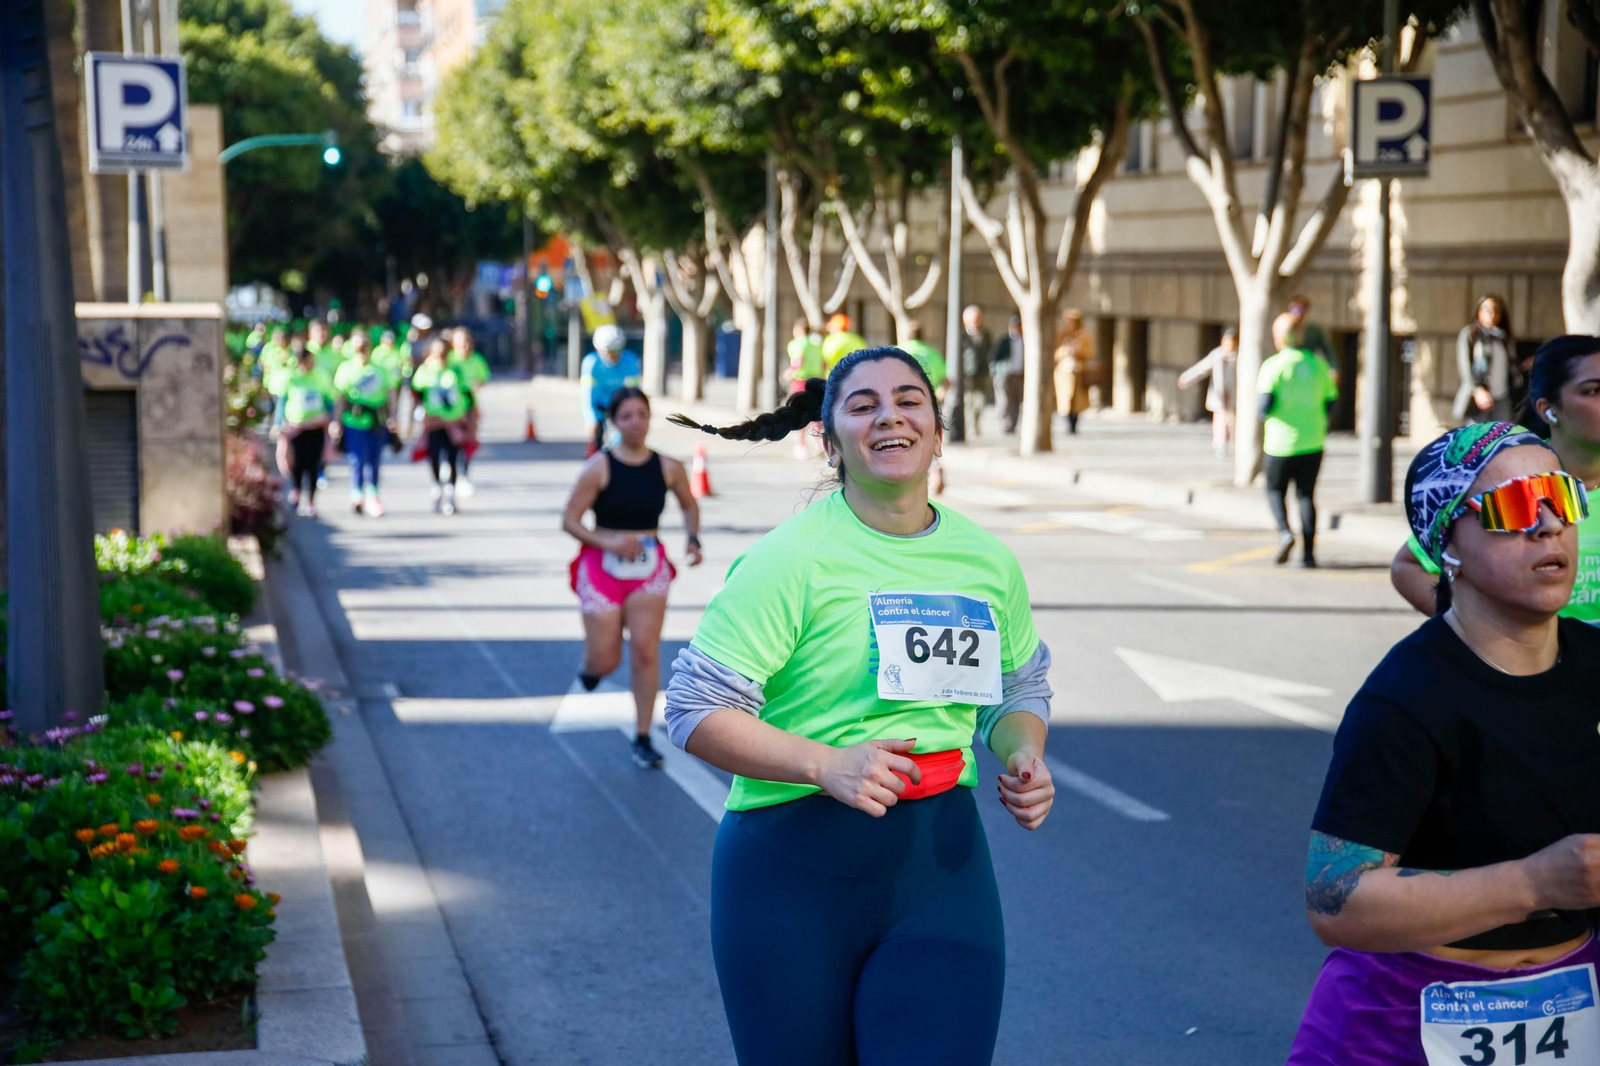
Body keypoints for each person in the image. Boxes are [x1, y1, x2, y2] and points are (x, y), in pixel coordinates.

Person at [661, 347, 1057, 1065]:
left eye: (909, 400)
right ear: (828, 436)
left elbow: (1017, 687)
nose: (890, 417)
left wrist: (1022, 751)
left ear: (938, 430)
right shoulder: (792, 559)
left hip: (941, 870)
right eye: (863, 404)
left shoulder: (986, 560)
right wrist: (824, 765)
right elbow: (691, 706)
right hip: (789, 875)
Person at [1287, 422, 1600, 1065]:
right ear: (1446, 545)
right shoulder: (1404, 697)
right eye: (1515, 505)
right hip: (1403, 1018)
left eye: (1561, 499)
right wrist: (1536, 883)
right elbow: (1335, 899)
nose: (1547, 526)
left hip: (1576, 997)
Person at [1392, 335, 1600, 625]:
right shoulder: (1506, 477)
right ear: (1548, 409)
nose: (1551, 525)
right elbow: (1408, 566)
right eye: (1593, 390)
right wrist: (1481, 631)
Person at [562, 387, 703, 769]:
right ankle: (593, 669)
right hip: (601, 567)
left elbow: (690, 505)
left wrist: (692, 538)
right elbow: (570, 521)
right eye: (627, 416)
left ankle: (643, 736)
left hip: (648, 567)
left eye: (642, 414)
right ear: (614, 422)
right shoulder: (599, 467)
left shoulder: (668, 466)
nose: (636, 423)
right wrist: (607, 540)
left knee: (644, 650)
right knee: (605, 660)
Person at [1260, 312, 1338, 567]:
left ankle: (1284, 532)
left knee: (1274, 490)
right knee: (1306, 496)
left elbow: (1264, 407)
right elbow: (1330, 402)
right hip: (1313, 441)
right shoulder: (1318, 365)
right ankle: (1308, 555)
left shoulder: (1273, 366)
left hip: (1280, 443)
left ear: (1279, 337)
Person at [332, 333, 394, 517]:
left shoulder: (380, 369)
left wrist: (393, 416)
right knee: (357, 459)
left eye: (364, 347)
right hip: (354, 421)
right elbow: (340, 397)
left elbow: (390, 392)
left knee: (374, 459)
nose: (361, 351)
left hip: (376, 422)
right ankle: (357, 494)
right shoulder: (346, 368)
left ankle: (373, 495)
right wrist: (336, 421)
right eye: (358, 347)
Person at [410, 338, 471, 515]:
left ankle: (451, 493)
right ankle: (437, 486)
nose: (440, 359)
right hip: (434, 423)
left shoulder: (455, 371)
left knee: (453, 457)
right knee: (435, 456)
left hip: (453, 422)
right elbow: (417, 394)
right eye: (436, 355)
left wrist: (464, 419)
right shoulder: (426, 371)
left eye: (443, 355)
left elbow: (466, 396)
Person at [277, 344, 335, 518]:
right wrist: (279, 423)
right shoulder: (290, 378)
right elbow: (282, 401)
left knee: (313, 464)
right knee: (297, 463)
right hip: (295, 428)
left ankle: (310, 501)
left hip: (315, 427)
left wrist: (331, 421)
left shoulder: (320, 377)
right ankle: (296, 490)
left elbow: (329, 401)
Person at [580, 323, 642, 455]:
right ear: (599, 350)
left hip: (619, 403)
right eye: (609, 352)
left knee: (623, 439)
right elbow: (587, 394)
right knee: (597, 438)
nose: (614, 356)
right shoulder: (591, 364)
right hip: (599, 405)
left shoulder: (630, 362)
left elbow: (635, 392)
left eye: (617, 351)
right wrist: (590, 421)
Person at [1455, 294, 1517, 424]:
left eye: (1496, 310)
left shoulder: (1504, 337)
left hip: (1502, 398)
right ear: (1479, 311)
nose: (1491, 314)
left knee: (1499, 440)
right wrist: (1477, 390)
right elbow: (1465, 367)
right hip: (1478, 398)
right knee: (1477, 440)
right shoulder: (1470, 334)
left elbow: (1510, 366)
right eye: (1487, 309)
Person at [1179, 326, 1239, 456]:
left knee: (1235, 421)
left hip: (1235, 395)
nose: (1229, 345)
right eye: (1226, 342)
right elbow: (1202, 368)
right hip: (1219, 394)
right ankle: (1220, 445)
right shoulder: (1217, 355)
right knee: (1220, 420)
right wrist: (1187, 378)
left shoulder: (1239, 357)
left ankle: (1235, 444)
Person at [449, 327, 491, 497]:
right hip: (450, 408)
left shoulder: (476, 360)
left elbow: (483, 379)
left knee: (467, 442)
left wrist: (476, 385)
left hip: (468, 406)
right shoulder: (449, 360)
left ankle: (463, 475)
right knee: (452, 441)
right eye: (460, 342)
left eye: (466, 342)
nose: (464, 346)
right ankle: (450, 471)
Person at [1052, 308, 1095, 435]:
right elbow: (1055, 353)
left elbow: (1090, 352)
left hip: (1078, 371)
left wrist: (1078, 352)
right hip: (1063, 373)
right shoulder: (1061, 335)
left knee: (1077, 402)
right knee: (1064, 400)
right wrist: (1065, 351)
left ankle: (1074, 424)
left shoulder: (1084, 335)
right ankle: (1067, 422)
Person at [957, 304, 993, 439]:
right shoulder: (961, 335)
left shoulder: (986, 334)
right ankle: (970, 428)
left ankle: (976, 425)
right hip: (967, 375)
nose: (978, 322)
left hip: (982, 373)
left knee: (980, 402)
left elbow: (989, 352)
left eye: (979, 318)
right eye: (974, 319)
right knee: (968, 403)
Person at [1285, 294, 1335, 381]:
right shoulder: (1284, 328)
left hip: (1308, 370)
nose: (1296, 313)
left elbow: (1328, 350)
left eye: (1300, 310)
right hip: (1288, 370)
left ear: (1306, 311)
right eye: (1293, 309)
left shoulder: (1314, 331)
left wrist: (1333, 368)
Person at [992, 314, 1025, 434]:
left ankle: (1013, 424)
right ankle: (1005, 423)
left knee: (1016, 400)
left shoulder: (1025, 341)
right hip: (1005, 375)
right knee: (1004, 400)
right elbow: (995, 357)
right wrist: (996, 372)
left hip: (1019, 374)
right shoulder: (1004, 341)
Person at [897, 322, 947, 395]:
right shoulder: (933, 354)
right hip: (926, 399)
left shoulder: (896, 351)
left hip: (901, 398)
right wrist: (938, 397)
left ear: (906, 336)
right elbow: (946, 382)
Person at [786, 318, 825, 394]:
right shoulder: (816, 345)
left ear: (798, 330)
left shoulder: (796, 344)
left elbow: (798, 360)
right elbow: (823, 363)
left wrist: (789, 372)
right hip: (816, 380)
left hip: (800, 381)